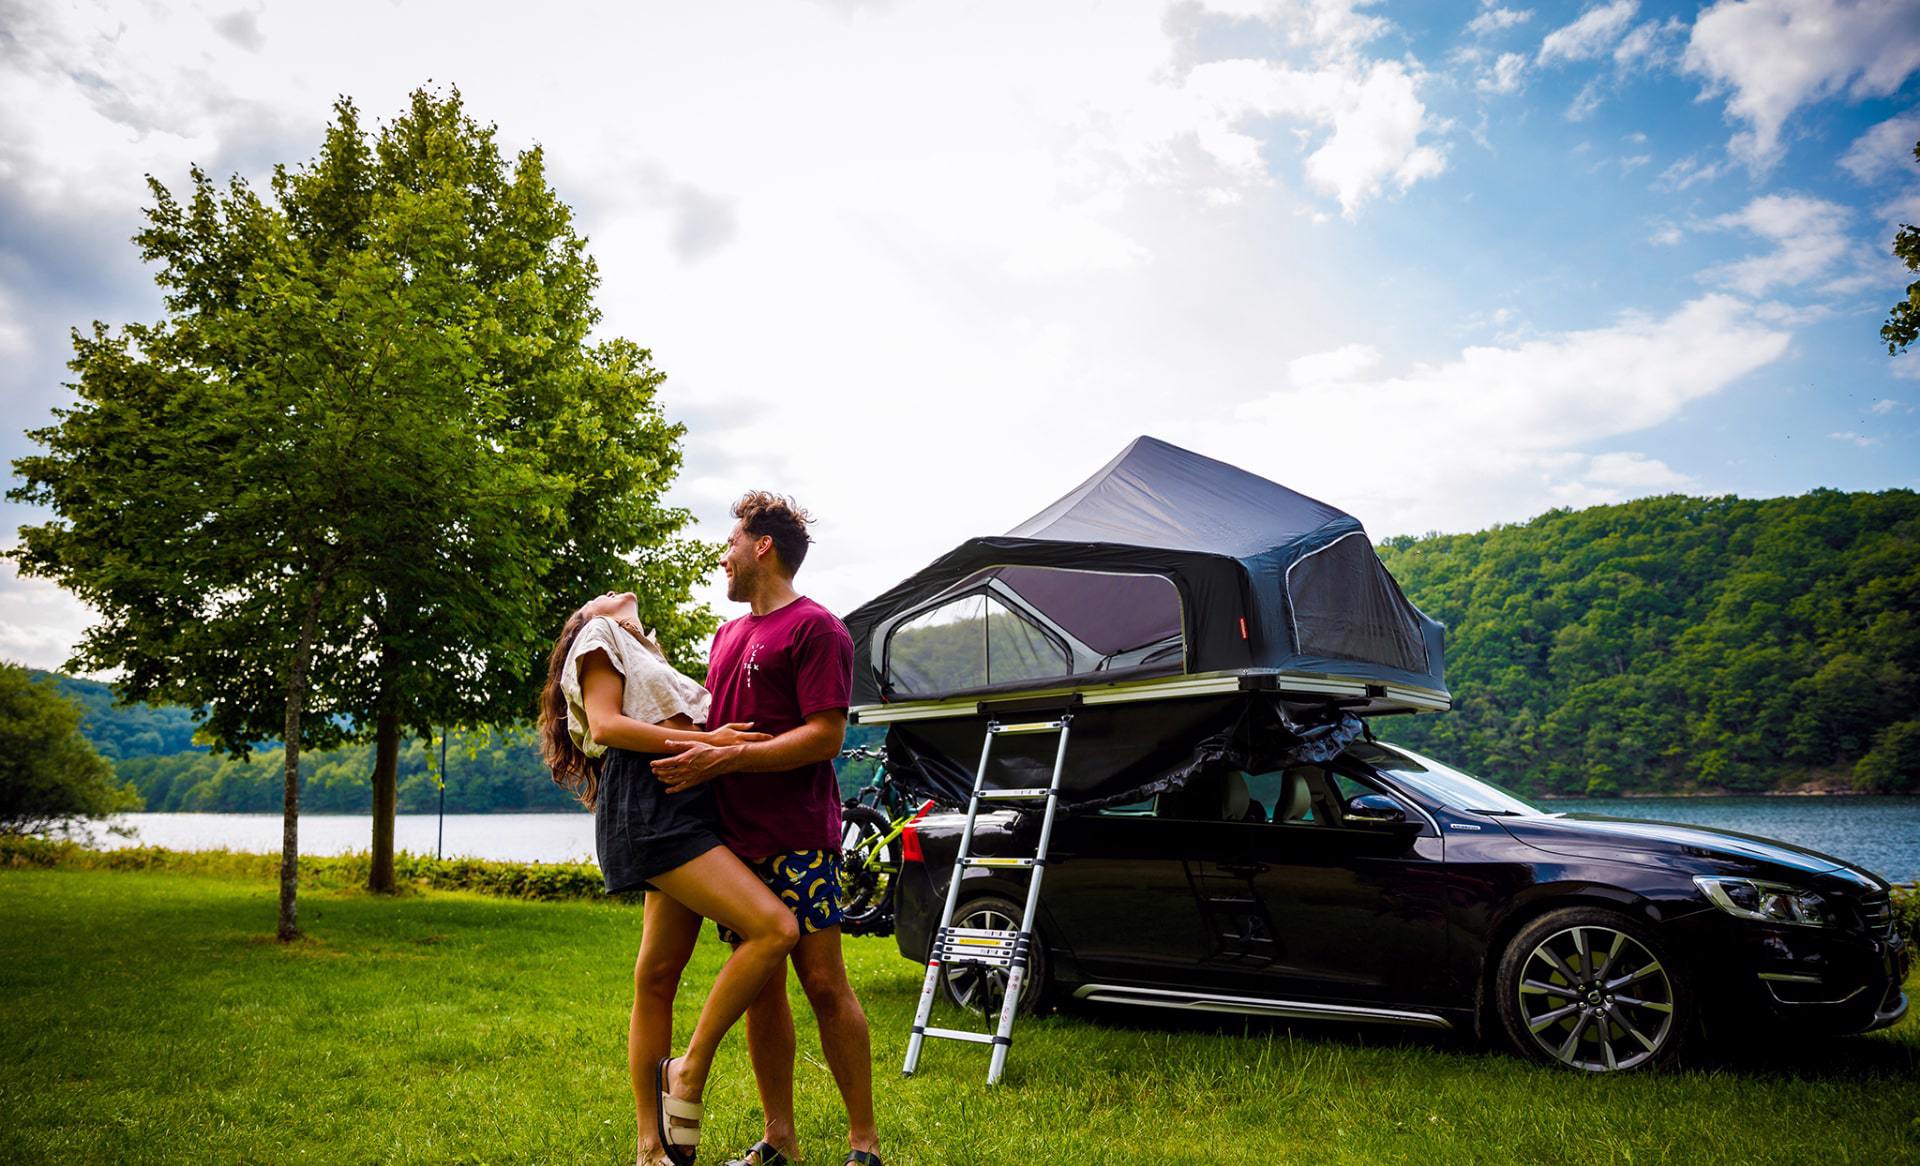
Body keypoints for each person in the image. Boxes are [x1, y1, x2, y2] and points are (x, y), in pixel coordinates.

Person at [651, 492, 884, 1166]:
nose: (721, 557)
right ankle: (779, 1139)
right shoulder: (726, 637)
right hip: (733, 837)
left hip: (797, 834)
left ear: (763, 547)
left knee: (823, 982)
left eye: (730, 542)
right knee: (760, 985)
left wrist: (731, 757)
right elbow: (707, 724)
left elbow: (824, 737)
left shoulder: (818, 630)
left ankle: (863, 1144)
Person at [539, 590, 800, 1166]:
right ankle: (690, 1066)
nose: (612, 592)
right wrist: (711, 742)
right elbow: (606, 726)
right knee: (775, 930)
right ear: (586, 620)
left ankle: (650, 1148)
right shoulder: (599, 634)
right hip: (652, 804)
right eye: (598, 596)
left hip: (679, 800)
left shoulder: (639, 647)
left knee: (656, 977)